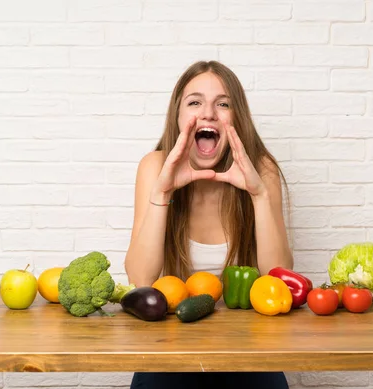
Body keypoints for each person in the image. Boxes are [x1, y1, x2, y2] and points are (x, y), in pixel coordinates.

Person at [124, 60, 293, 389]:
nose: (209, 113)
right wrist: (163, 191)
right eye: (195, 102)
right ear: (178, 116)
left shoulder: (262, 169)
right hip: (169, 347)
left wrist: (258, 195)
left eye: (223, 104)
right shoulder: (153, 166)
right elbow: (140, 279)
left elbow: (279, 278)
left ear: (237, 117)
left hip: (249, 347)